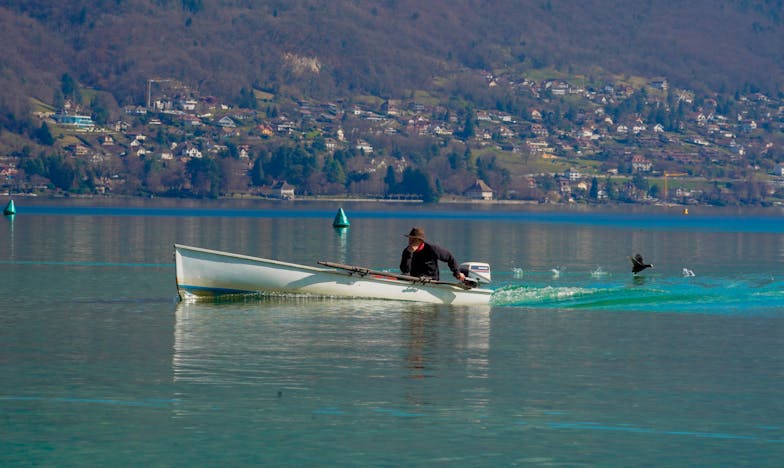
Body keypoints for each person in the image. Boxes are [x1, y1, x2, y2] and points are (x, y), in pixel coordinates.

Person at [400, 227, 466, 282]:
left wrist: (457, 273)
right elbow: (405, 270)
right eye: (410, 238)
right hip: (414, 280)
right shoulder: (407, 251)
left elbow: (449, 257)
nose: (410, 241)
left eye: (413, 239)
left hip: (431, 281)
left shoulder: (432, 249)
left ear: (420, 241)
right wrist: (409, 254)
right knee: (404, 275)